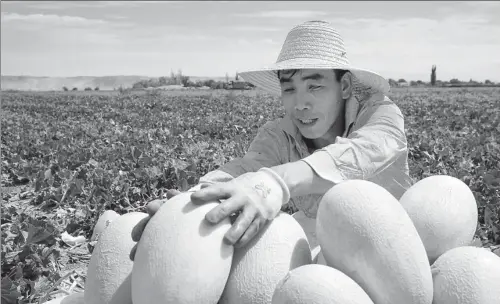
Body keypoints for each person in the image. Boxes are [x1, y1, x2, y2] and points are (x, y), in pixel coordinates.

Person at [129, 20, 414, 261]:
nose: (300, 104)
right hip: (329, 238)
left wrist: (273, 182)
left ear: (345, 87)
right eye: (290, 89)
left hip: (399, 244)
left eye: (314, 86)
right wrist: (193, 200)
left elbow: (358, 154)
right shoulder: (278, 134)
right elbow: (245, 169)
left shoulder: (380, 114)